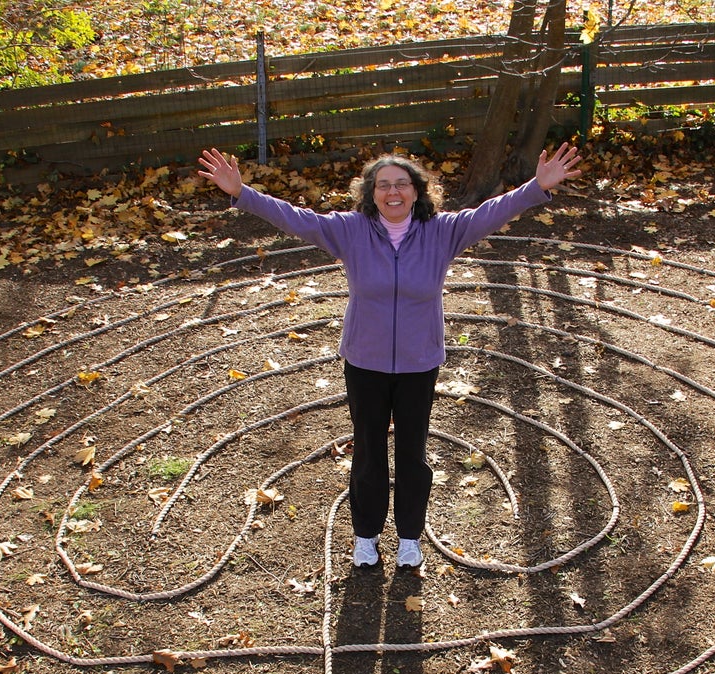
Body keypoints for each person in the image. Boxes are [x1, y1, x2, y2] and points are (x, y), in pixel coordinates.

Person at [198, 143, 583, 569]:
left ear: (417, 191)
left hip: (419, 362)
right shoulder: (350, 230)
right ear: (371, 192)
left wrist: (536, 187)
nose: (393, 192)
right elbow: (295, 218)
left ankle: (408, 538)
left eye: (402, 184)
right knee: (368, 451)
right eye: (383, 185)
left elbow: (491, 212)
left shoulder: (442, 232)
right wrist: (243, 193)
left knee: (412, 454)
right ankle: (366, 537)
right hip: (365, 361)